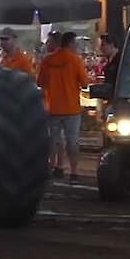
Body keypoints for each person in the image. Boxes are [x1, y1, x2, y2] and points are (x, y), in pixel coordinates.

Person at [37, 31, 89, 183]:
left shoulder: (48, 60)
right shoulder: (76, 60)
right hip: (72, 108)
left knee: (53, 140)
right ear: (71, 43)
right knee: (72, 141)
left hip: (53, 107)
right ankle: (74, 172)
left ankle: (53, 167)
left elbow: (40, 82)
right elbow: (85, 84)